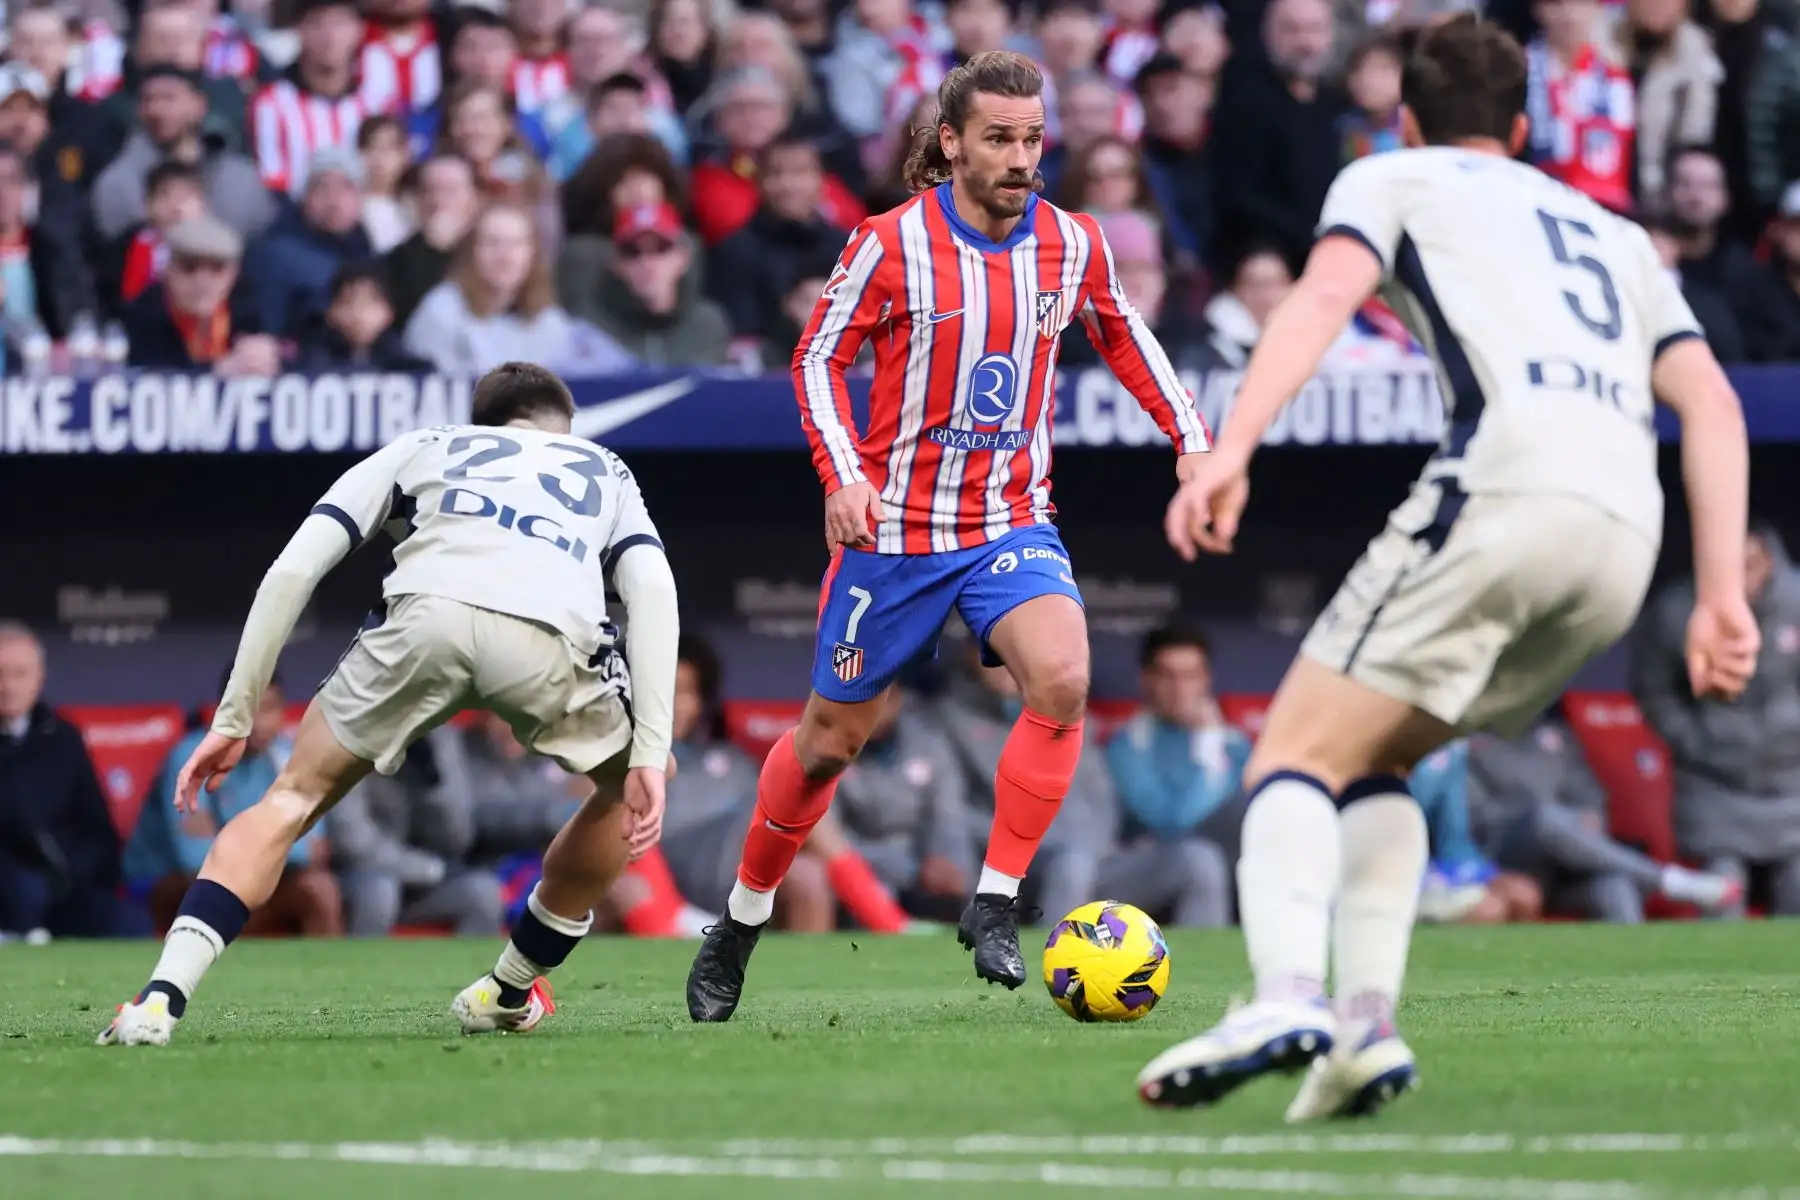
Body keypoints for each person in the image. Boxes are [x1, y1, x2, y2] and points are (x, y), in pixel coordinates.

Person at [1138, 15, 1756, 1122]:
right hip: (1624, 535)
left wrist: (1228, 447)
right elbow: (1711, 401)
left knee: (1289, 752)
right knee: (1382, 750)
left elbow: (1320, 297)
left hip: (1504, 493)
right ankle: (1366, 1032)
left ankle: (1287, 995)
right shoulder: (1614, 230)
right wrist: (1718, 595)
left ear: (1406, 120)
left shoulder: (1393, 177)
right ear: (1522, 127)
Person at [685, 50, 1209, 1022]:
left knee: (1063, 679)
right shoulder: (888, 246)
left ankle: (996, 900)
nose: (1020, 157)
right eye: (1000, 139)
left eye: (1033, 139)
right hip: (895, 533)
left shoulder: (1073, 241)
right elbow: (816, 362)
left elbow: (1126, 335)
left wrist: (1191, 442)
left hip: (1009, 517)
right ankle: (740, 923)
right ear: (954, 141)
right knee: (828, 745)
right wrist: (842, 476)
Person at [100, 362, 679, 1047]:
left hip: (422, 620)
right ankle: (510, 987)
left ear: (480, 424)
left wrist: (233, 718)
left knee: (290, 797)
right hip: (550, 637)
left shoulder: (425, 444)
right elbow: (653, 592)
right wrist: (648, 749)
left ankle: (159, 999)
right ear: (565, 423)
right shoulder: (602, 465)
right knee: (633, 788)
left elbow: (293, 569)